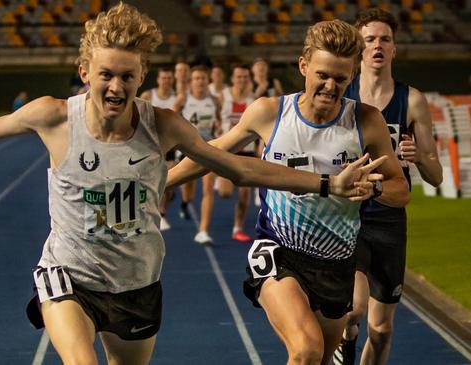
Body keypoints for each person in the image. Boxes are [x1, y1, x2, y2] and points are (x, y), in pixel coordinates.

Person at [0, 5, 386, 365]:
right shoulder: (51, 117)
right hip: (67, 272)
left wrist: (324, 185)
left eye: (127, 75)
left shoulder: (163, 125)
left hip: (136, 283)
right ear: (84, 70)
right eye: (106, 74)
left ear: (143, 77)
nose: (115, 86)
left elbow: (237, 167)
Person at [167, 19, 410, 365]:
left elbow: (401, 191)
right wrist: (159, 184)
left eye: (341, 79)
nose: (330, 86)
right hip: (280, 249)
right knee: (305, 349)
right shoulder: (271, 113)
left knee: (321, 358)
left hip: (337, 260)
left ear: (352, 75)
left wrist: (374, 187)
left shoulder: (366, 122)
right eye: (322, 75)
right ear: (303, 65)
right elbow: (212, 154)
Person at [334, 9, 443, 365]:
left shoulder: (411, 100)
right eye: (369, 39)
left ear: (395, 49)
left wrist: (419, 157)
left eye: (385, 39)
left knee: (381, 332)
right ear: (358, 49)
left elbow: (436, 175)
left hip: (390, 218)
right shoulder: (343, 94)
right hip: (346, 217)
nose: (377, 46)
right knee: (354, 310)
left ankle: (353, 343)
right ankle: (345, 340)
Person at [174, 65, 222, 244]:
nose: (200, 81)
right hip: (186, 149)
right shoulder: (183, 99)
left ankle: (203, 230)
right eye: (196, 78)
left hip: (208, 147)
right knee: (188, 190)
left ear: (207, 80)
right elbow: (171, 119)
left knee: (208, 189)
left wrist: (218, 131)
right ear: (190, 82)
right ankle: (186, 203)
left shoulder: (215, 100)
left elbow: (218, 119)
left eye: (203, 78)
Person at [215, 64, 256, 242]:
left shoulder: (254, 100)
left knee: (245, 193)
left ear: (249, 79)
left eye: (245, 77)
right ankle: (219, 180)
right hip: (227, 150)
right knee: (225, 193)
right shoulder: (222, 96)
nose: (242, 80)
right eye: (239, 77)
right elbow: (214, 115)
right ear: (233, 79)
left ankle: (237, 227)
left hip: (246, 151)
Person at [140, 68, 177, 231]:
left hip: (169, 144)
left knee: (170, 180)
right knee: (149, 181)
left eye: (169, 78)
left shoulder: (177, 98)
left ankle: (162, 213)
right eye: (164, 78)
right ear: (158, 80)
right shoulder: (148, 96)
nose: (166, 81)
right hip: (150, 143)